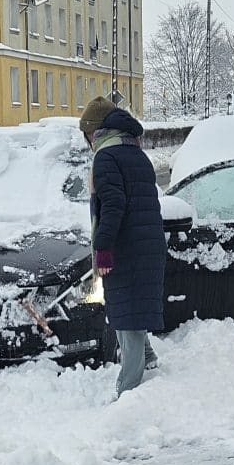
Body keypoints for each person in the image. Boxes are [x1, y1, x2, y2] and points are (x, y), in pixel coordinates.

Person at [80, 97, 166, 397]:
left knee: (127, 315)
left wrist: (102, 246)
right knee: (129, 307)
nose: (87, 141)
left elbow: (113, 206)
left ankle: (129, 391)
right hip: (144, 243)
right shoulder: (135, 153)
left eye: (86, 134)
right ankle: (150, 361)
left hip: (127, 245)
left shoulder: (107, 157)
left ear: (95, 131)